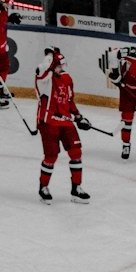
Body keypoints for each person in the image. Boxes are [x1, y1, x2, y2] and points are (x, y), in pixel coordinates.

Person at [35, 47, 91, 204]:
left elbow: (69, 100)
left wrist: (79, 116)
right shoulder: (45, 80)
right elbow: (42, 70)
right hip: (48, 122)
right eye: (59, 65)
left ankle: (76, 189)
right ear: (52, 66)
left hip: (66, 122)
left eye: (63, 65)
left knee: (76, 153)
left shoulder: (67, 79)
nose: (62, 68)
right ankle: (43, 187)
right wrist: (49, 57)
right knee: (51, 157)